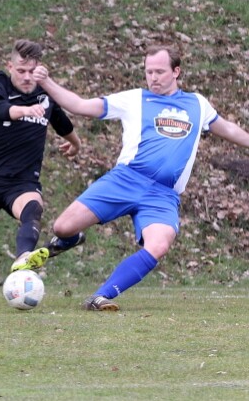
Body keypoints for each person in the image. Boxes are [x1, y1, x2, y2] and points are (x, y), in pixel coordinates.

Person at [33, 44, 249, 311]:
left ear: (176, 71)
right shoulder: (135, 99)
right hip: (125, 180)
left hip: (163, 194)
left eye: (160, 71)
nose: (153, 77)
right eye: (149, 72)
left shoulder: (197, 104)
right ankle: (70, 240)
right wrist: (47, 82)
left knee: (159, 244)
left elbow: (228, 128)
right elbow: (80, 106)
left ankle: (100, 297)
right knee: (62, 227)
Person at [0, 40, 82, 299]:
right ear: (10, 67)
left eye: (32, 71)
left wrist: (75, 143)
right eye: (21, 70)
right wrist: (24, 110)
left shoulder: (44, 94)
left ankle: (23, 258)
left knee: (32, 211)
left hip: (22, 181)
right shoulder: (0, 83)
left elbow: (61, 121)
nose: (27, 77)